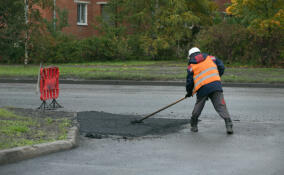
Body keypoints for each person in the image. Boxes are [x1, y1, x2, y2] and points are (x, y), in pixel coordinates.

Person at [185, 47, 233, 134]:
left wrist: (189, 92)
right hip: (215, 85)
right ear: (199, 52)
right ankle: (229, 125)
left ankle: (194, 125)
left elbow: (189, 82)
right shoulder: (212, 58)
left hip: (202, 89)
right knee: (220, 105)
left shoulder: (191, 66)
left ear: (190, 56)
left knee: (199, 106)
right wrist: (216, 78)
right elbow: (221, 67)